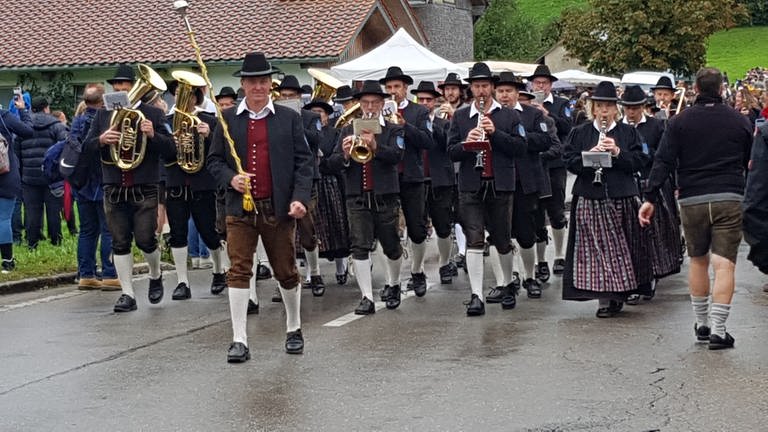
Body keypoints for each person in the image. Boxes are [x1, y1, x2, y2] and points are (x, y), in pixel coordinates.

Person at [207, 52, 313, 362]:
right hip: (239, 209)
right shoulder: (226, 120)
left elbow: (304, 163)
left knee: (286, 271)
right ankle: (239, 338)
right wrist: (231, 179)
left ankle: (293, 327)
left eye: (264, 81)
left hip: (276, 208)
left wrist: (299, 198)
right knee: (238, 269)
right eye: (253, 81)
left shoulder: (288, 118)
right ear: (243, 84)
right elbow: (213, 161)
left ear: (271, 85)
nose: (258, 86)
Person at [639, 68, 753, 350]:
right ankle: (719, 329)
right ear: (722, 88)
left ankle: (701, 324)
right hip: (729, 194)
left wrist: (650, 196)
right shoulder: (739, 121)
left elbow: (663, 161)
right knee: (724, 264)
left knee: (698, 260)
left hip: (692, 197)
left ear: (697, 90)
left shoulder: (679, 122)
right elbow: (751, 162)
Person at [83, 64, 177, 312]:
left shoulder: (153, 115)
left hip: (144, 185)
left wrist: (153, 134)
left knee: (146, 239)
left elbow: (172, 150)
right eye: (116, 85)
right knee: (119, 241)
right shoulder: (103, 115)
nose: (120, 88)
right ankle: (127, 294)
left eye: (125, 84)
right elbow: (86, 148)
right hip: (114, 185)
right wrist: (102, 140)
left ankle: (155, 274)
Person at [562, 81, 652, 317]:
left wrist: (618, 153)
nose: (603, 111)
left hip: (621, 195)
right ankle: (604, 299)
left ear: (615, 109)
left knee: (625, 249)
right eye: (599, 106)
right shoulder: (580, 132)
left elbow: (641, 160)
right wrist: (587, 158)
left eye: (608, 107)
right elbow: (568, 160)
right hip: (590, 197)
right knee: (596, 251)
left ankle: (621, 292)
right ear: (593, 109)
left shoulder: (628, 132)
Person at [447, 62, 528, 316]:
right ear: (470, 89)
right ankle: (476, 295)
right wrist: (466, 142)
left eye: (485, 86)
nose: (481, 91)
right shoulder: (460, 116)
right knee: (474, 238)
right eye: (476, 86)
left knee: (502, 239)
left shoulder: (509, 116)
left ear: (492, 88)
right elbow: (450, 151)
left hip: (500, 185)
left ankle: (506, 285)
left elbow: (521, 147)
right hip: (471, 185)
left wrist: (495, 134)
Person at [325, 80, 405, 314]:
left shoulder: (393, 129)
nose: (369, 107)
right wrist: (345, 155)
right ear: (359, 105)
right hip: (356, 195)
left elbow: (398, 156)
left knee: (391, 245)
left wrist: (376, 146)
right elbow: (329, 164)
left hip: (385, 195)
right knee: (359, 246)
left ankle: (394, 283)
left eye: (374, 102)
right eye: (365, 102)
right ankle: (367, 297)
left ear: (382, 104)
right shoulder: (347, 130)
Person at [490, 71, 557, 301]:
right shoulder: (488, 116)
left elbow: (545, 140)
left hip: (524, 181)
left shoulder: (531, 114)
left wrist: (518, 139)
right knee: (499, 234)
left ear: (517, 93)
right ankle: (505, 281)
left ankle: (529, 276)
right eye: (500, 91)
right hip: (497, 183)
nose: (505, 95)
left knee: (526, 234)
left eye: (509, 91)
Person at [163, 72, 227, 301]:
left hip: (202, 184)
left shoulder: (209, 120)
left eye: (187, 95)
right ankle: (182, 281)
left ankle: (219, 271)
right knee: (178, 234)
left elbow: (222, 153)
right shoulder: (167, 123)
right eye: (178, 94)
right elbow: (163, 154)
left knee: (209, 232)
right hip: (176, 183)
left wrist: (209, 136)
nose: (182, 99)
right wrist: (172, 141)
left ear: (196, 98)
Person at [619, 85, 681, 304]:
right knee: (630, 234)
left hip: (651, 183)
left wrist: (643, 154)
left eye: (635, 107)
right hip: (626, 185)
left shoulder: (656, 126)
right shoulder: (618, 128)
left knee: (653, 233)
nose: (631, 112)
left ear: (643, 107)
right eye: (627, 107)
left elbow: (666, 155)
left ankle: (651, 275)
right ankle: (635, 279)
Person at [380, 66, 434, 299]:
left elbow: (428, 141)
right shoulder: (376, 111)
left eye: (397, 87)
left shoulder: (418, 112)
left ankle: (417, 270)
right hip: (388, 177)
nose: (393, 92)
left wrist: (405, 126)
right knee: (387, 230)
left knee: (417, 228)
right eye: (389, 87)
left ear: (406, 88)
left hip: (412, 175)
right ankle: (392, 281)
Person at [275, 75, 325, 297]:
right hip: (282, 179)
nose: (287, 99)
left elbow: (317, 140)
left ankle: (314, 272)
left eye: (291, 96)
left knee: (306, 229)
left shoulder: (310, 116)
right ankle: (285, 278)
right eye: (283, 96)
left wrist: (294, 121)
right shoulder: (274, 118)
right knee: (280, 232)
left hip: (306, 179)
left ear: (299, 97)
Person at [70, 84, 120, 290]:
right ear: (101, 102)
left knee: (87, 231)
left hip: (81, 184)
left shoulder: (76, 121)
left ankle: (86, 274)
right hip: (101, 181)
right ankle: (109, 274)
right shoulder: (105, 120)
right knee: (109, 229)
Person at [412, 81, 458, 284]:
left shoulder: (443, 122)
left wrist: (434, 123)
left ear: (435, 102)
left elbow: (448, 144)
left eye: (428, 100)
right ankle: (418, 268)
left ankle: (445, 263)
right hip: (417, 180)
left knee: (443, 225)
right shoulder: (411, 122)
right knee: (417, 227)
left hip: (440, 180)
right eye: (420, 99)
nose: (424, 103)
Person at [527, 65, 571, 278]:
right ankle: (540, 260)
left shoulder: (562, 103)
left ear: (550, 85)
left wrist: (547, 113)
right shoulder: (526, 104)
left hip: (555, 164)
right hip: (535, 166)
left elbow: (568, 127)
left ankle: (559, 255)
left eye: (544, 83)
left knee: (556, 210)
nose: (540, 86)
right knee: (536, 213)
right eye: (537, 83)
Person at [304, 97, 350, 285]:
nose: (317, 115)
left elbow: (338, 159)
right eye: (313, 112)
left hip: (330, 183)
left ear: (327, 116)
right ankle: (311, 272)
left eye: (320, 112)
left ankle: (341, 266)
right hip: (310, 184)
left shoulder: (335, 133)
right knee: (309, 230)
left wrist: (322, 162)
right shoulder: (303, 133)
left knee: (335, 229)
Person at [18, 96, 68, 249]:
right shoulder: (57, 126)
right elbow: (65, 147)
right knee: (53, 210)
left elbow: (16, 151)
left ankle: (32, 243)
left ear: (32, 108)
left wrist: (22, 172)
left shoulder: (24, 126)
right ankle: (56, 240)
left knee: (32, 211)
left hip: (29, 177)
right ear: (47, 108)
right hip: (51, 176)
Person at [0, 95, 34, 272]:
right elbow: (28, 131)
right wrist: (22, 109)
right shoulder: (4, 116)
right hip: (5, 173)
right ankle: (7, 261)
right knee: (3, 218)